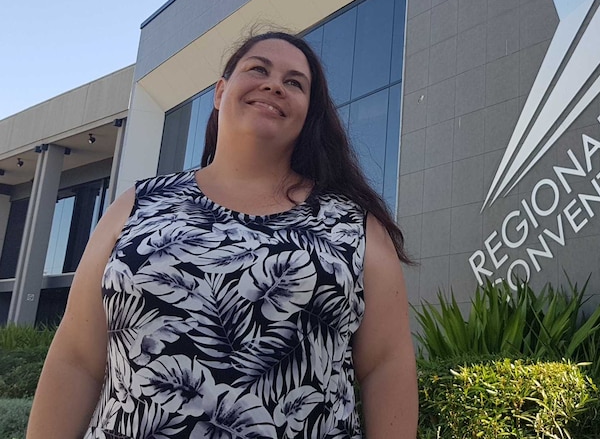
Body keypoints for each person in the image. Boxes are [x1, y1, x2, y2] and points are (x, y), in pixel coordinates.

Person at [27, 30, 418, 439]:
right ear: (220, 92)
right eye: (258, 69)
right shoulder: (138, 204)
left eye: (294, 83)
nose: (273, 85)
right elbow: (76, 358)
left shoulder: (354, 223)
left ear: (307, 113)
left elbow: (386, 366)